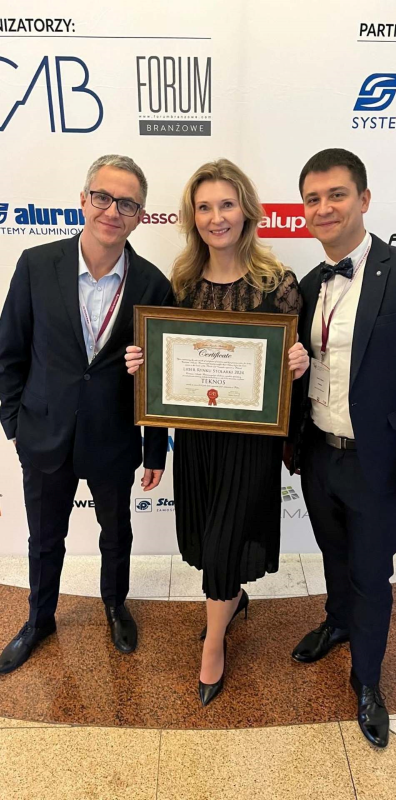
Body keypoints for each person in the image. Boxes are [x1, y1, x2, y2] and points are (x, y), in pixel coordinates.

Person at [126, 158, 309, 705]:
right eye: (204, 207)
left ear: (246, 211)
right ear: (192, 217)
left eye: (226, 204)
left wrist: (298, 364)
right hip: (199, 440)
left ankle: (214, 643)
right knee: (209, 537)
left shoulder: (278, 285)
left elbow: (291, 377)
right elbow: (165, 374)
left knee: (228, 533)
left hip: (251, 443)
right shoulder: (178, 284)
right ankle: (228, 595)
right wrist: (144, 364)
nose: (216, 216)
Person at [285, 148, 396, 748]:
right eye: (312, 199)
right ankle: (336, 623)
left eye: (336, 195)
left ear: (364, 199)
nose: (323, 208)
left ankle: (368, 679)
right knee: (334, 553)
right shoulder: (305, 285)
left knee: (373, 573)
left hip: (382, 461)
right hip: (320, 454)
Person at [0, 154, 172, 675]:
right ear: (83, 199)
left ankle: (115, 605)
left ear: (140, 215)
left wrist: (153, 449)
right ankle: (39, 618)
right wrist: (16, 425)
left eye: (127, 203)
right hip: (44, 431)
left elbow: (157, 377)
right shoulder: (36, 264)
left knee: (116, 531)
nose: (112, 211)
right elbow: (10, 352)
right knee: (45, 537)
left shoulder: (151, 283)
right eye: (103, 197)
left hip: (113, 437)